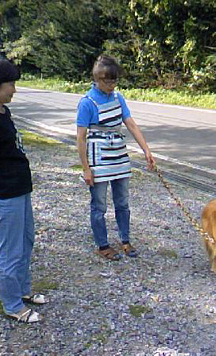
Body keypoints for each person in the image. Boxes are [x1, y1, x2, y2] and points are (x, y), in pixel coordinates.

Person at [0, 53, 48, 323]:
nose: (14, 90)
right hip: (5, 193)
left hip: (20, 189)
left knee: (26, 242)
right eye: (10, 85)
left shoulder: (3, 112)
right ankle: (13, 305)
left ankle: (23, 290)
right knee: (10, 250)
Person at [76, 54, 155, 261]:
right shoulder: (87, 102)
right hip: (98, 158)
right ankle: (102, 245)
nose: (111, 85)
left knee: (122, 201)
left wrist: (145, 150)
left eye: (113, 80)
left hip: (119, 154)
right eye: (106, 81)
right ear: (96, 79)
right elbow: (81, 137)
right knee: (99, 204)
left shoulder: (118, 98)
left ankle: (125, 240)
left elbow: (130, 123)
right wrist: (85, 168)